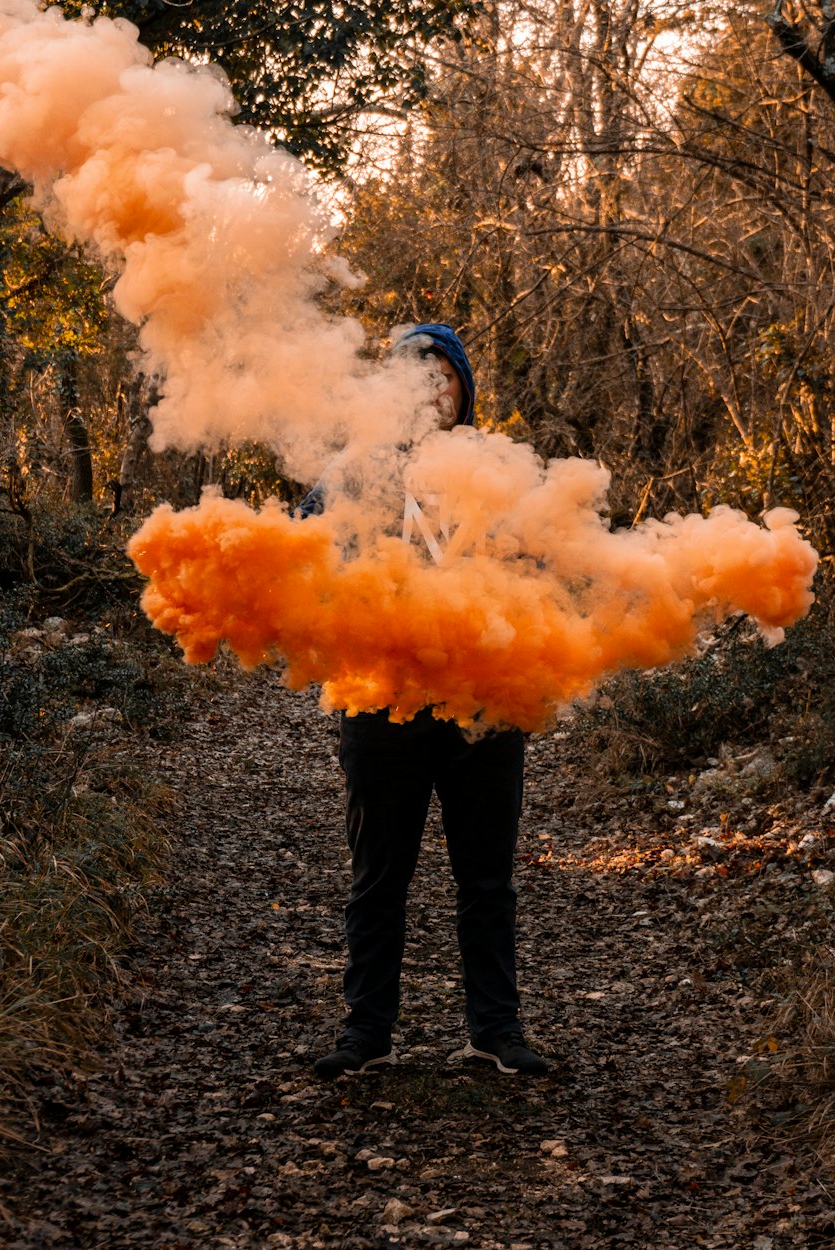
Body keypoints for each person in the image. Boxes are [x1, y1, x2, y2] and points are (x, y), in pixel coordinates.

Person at [302, 323, 548, 1079]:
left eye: (445, 376)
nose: (433, 389)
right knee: (378, 877)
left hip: (482, 702)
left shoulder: (501, 469)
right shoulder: (351, 472)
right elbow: (304, 556)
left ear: (464, 389)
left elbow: (545, 559)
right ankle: (367, 1034)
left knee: (487, 880)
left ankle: (495, 1030)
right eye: (417, 375)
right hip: (380, 700)